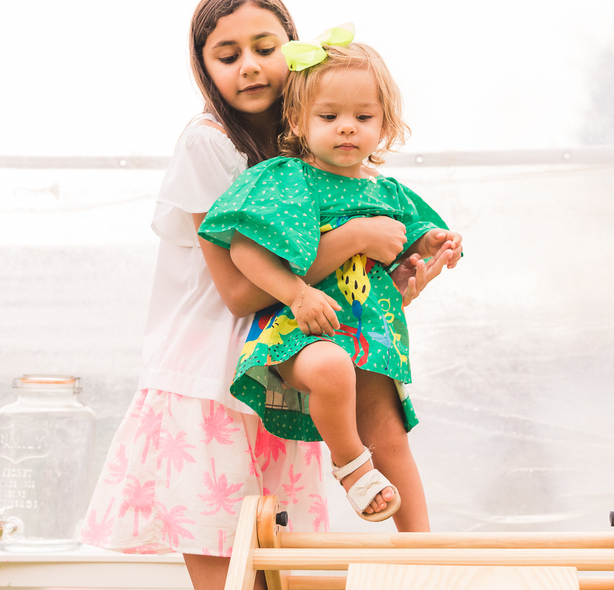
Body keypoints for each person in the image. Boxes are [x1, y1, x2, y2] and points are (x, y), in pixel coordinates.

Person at [80, 0, 454, 590]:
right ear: (203, 68)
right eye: (227, 56)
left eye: (265, 47)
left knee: (282, 574)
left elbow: (340, 277)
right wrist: (357, 236)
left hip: (287, 369)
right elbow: (239, 292)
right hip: (211, 383)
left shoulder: (317, 147)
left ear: (293, 50)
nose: (250, 66)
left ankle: (428, 558)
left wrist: (395, 280)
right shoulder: (209, 142)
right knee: (232, 576)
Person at [198, 32, 462, 530]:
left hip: (371, 334)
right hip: (301, 331)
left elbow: (411, 240)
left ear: (384, 125)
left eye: (363, 117)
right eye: (328, 117)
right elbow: (245, 250)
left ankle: (423, 551)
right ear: (298, 121)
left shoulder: (387, 191)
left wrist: (432, 244)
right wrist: (297, 294)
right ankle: (352, 467)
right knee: (332, 368)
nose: (347, 127)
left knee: (392, 439)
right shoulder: (287, 179)